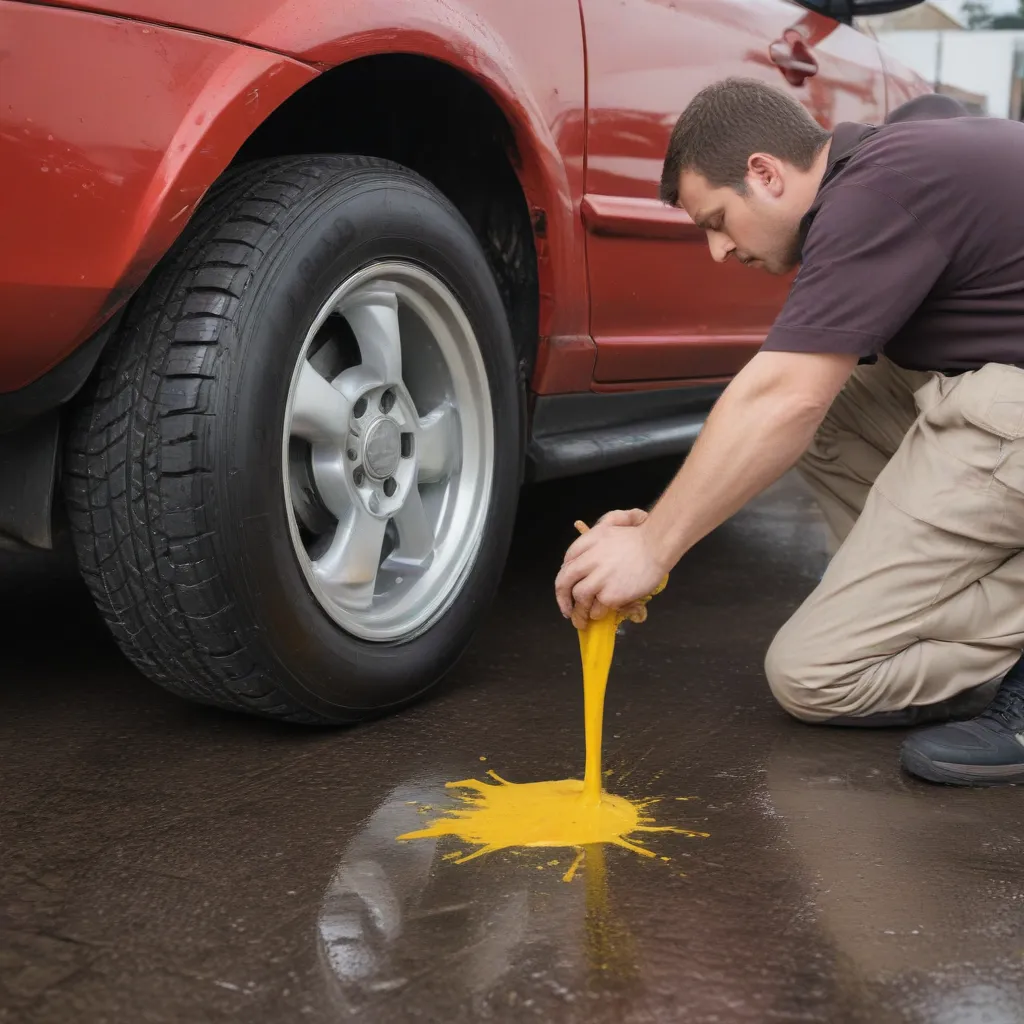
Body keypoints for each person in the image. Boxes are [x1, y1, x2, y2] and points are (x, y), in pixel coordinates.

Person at [554, 79, 1024, 787]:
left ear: (765, 174)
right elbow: (784, 402)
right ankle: (916, 600)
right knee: (837, 400)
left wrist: (656, 548)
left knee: (814, 674)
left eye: (717, 220)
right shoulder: (896, 154)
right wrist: (661, 522)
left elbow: (784, 399)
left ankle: (947, 628)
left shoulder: (875, 194)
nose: (717, 250)